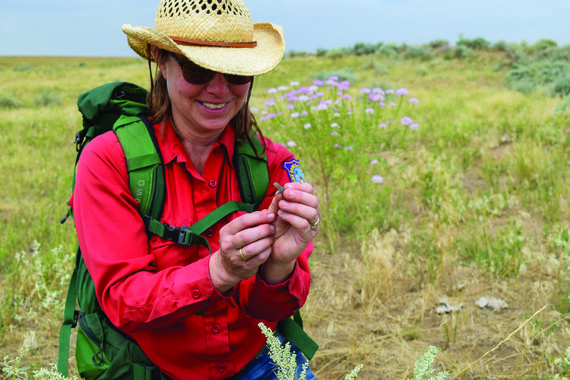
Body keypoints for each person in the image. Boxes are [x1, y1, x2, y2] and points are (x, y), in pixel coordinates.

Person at [70, 0, 320, 379]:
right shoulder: (109, 161)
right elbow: (123, 300)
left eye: (236, 73)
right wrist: (218, 271)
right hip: (151, 368)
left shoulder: (272, 163)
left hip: (259, 359)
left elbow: (272, 311)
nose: (219, 89)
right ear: (161, 60)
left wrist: (280, 266)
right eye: (198, 68)